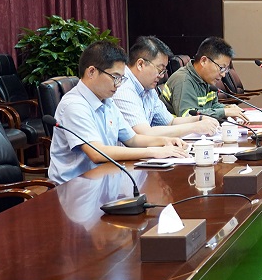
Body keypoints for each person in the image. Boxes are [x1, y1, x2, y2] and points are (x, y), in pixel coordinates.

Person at [48, 41, 189, 185]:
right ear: (91, 72)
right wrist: (153, 151)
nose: (119, 84)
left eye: (121, 78)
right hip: (74, 187)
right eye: (115, 77)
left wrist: (165, 141)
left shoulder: (107, 101)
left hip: (104, 180)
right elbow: (97, 153)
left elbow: (132, 140)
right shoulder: (74, 105)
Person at [113, 36, 221, 138]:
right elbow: (144, 134)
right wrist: (195, 127)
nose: (162, 76)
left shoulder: (147, 87)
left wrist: (199, 119)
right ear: (140, 64)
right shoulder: (123, 88)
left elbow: (170, 122)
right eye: (160, 69)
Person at [160, 37, 246, 121]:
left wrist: (227, 108)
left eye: (226, 69)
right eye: (221, 68)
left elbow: (212, 106)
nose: (223, 75)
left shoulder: (207, 79)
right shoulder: (183, 80)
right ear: (204, 61)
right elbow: (187, 116)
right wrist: (223, 112)